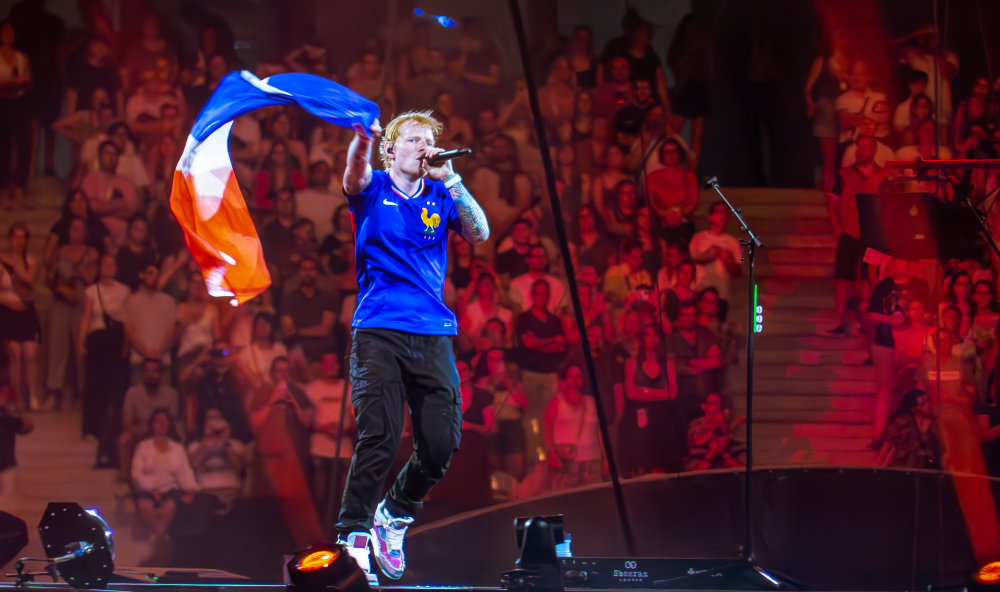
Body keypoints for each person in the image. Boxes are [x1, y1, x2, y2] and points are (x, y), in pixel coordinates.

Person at [337, 110, 489, 583]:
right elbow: (354, 174)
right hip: (379, 329)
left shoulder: (441, 193)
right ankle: (354, 534)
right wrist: (363, 137)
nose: (424, 147)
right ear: (391, 149)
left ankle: (395, 513)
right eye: (414, 140)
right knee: (380, 435)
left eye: (429, 140)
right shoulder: (374, 186)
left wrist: (454, 180)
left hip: (432, 331)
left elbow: (479, 232)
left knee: (442, 443)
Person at [826, 136, 886, 334]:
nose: (862, 150)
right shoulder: (844, 174)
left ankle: (866, 323)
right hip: (849, 233)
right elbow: (832, 203)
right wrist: (837, 227)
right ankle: (839, 322)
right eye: (859, 146)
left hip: (873, 235)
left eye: (866, 146)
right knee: (843, 279)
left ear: (874, 149)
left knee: (868, 278)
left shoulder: (883, 176)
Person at [866, 258, 929, 437]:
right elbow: (871, 314)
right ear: (893, 263)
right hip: (886, 341)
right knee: (886, 389)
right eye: (899, 261)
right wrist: (891, 320)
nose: (902, 264)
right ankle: (879, 435)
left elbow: (928, 312)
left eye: (905, 261)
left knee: (907, 389)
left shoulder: (920, 285)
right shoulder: (884, 286)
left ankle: (900, 434)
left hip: (913, 340)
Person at [79, 254, 130, 462]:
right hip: (96, 340)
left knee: (113, 389)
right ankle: (91, 429)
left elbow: (126, 321)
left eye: (111, 264)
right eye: (105, 264)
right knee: (94, 387)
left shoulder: (124, 291)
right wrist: (81, 343)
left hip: (114, 343)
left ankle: (109, 430)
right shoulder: (92, 290)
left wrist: (126, 346)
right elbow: (86, 317)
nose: (108, 267)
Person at [514, 279, 566, 478]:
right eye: (538, 293)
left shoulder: (555, 321)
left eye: (545, 294)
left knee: (551, 418)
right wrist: (550, 342)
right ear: (532, 295)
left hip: (551, 374)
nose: (541, 298)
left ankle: (551, 459)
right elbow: (528, 344)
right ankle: (534, 460)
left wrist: (539, 343)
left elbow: (561, 346)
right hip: (531, 374)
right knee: (532, 418)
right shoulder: (524, 319)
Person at [46, 218, 98, 409]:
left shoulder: (91, 253)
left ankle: (82, 393)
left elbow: (91, 278)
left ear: (85, 231)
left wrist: (79, 268)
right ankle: (54, 392)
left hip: (81, 303)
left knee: (80, 350)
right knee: (57, 348)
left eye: (78, 228)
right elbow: (50, 275)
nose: (74, 230)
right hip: (61, 301)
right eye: (72, 227)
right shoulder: (60, 251)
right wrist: (57, 285)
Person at [131, 409, 200, 546]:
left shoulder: (178, 448)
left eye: (165, 421)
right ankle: (161, 537)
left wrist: (191, 489)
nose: (162, 424)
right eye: (158, 421)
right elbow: (136, 473)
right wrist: (152, 488)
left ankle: (157, 536)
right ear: (152, 424)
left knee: (168, 508)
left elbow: (184, 472)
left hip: (170, 488)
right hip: (149, 488)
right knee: (144, 506)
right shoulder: (143, 447)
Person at [305, 352, 355, 538]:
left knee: (344, 496)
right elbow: (305, 420)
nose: (332, 366)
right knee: (320, 496)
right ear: (321, 366)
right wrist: (323, 428)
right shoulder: (311, 389)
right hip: (319, 450)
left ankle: (343, 534)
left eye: (335, 362)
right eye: (328, 363)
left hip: (344, 450)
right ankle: (319, 535)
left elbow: (355, 417)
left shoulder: (348, 388)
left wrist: (343, 428)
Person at [804, 28, 851, 192]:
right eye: (837, 36)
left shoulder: (850, 61)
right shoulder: (822, 61)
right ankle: (827, 190)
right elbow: (808, 88)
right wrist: (811, 105)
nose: (840, 39)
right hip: (827, 110)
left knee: (844, 153)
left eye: (843, 36)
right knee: (829, 156)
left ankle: (842, 189)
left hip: (846, 109)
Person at [0, 223, 40, 409]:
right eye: (16, 237)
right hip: (8, 313)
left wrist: (14, 264)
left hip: (27, 312)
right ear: (10, 238)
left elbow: (28, 280)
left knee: (30, 354)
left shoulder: (30, 260)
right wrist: (6, 301)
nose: (19, 241)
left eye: (22, 237)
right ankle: (15, 397)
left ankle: (32, 396)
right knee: (14, 355)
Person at [544, 366, 602, 491]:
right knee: (566, 496)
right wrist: (551, 454)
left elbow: (599, 431)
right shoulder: (557, 401)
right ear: (565, 380)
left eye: (578, 376)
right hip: (567, 461)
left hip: (592, 459)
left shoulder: (591, 401)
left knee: (593, 496)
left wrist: (605, 457)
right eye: (571, 376)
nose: (575, 379)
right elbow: (547, 430)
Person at [120, 359, 179, 480]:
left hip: (163, 432)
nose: (150, 375)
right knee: (124, 439)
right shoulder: (132, 393)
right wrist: (140, 432)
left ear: (161, 374)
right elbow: (127, 422)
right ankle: (126, 477)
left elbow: (172, 422)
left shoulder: (171, 394)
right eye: (147, 371)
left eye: (154, 371)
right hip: (140, 432)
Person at [122, 261, 180, 383]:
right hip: (138, 361)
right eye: (150, 273)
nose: (154, 277)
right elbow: (128, 331)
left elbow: (172, 330)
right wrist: (145, 352)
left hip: (163, 361)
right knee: (138, 394)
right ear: (141, 275)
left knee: (165, 394)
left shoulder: (168, 301)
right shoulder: (130, 301)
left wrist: (160, 351)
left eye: (156, 274)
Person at [186, 407, 247, 508]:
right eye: (210, 418)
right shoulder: (195, 447)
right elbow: (194, 467)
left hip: (231, 494)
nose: (213, 422)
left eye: (217, 418)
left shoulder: (235, 445)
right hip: (206, 496)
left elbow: (241, 469)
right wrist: (206, 442)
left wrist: (225, 442)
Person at [80, 141, 138, 247]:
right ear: (99, 156)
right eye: (107, 153)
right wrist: (120, 203)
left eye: (114, 154)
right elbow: (90, 208)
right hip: (95, 234)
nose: (111, 157)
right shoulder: (89, 179)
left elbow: (131, 210)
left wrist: (102, 208)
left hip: (122, 238)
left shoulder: (126, 183)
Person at [0, 21, 32, 210]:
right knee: (3, 147)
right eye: (4, 31)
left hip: (19, 102)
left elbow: (29, 80)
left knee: (25, 145)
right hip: (2, 104)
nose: (8, 34)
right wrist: (7, 83)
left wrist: (20, 82)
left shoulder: (22, 57)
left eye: (10, 31)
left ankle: (19, 187)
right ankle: (3, 188)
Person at [873, 389, 940, 469]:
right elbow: (887, 446)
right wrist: (877, 468)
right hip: (903, 469)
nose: (928, 405)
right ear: (914, 409)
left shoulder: (937, 424)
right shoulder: (901, 424)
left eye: (928, 401)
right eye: (923, 404)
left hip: (926, 470)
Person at [689, 202, 741, 301]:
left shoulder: (732, 242)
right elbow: (690, 261)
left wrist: (729, 262)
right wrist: (709, 255)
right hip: (700, 291)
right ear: (710, 217)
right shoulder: (698, 238)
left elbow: (738, 273)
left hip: (721, 294)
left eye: (725, 213)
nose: (722, 215)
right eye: (719, 211)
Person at [646, 139, 698, 240]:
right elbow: (651, 203)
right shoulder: (651, 177)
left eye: (674, 151)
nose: (671, 155)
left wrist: (679, 213)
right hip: (661, 224)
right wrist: (665, 216)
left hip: (684, 221)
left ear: (680, 153)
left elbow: (694, 202)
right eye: (667, 152)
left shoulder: (689, 176)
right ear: (662, 155)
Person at [0, 366, 32, 508]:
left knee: (7, 501)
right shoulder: (9, 420)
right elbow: (27, 426)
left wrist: (19, 408)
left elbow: (27, 426)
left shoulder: (9, 420)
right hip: (7, 465)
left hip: (7, 465)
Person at [686, 393, 742, 470]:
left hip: (723, 464)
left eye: (718, 403)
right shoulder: (696, 425)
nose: (716, 406)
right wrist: (711, 452)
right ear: (704, 406)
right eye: (712, 403)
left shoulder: (723, 423)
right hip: (702, 464)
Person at [508, 246, 567, 315]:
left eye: (542, 257)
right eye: (536, 256)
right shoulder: (516, 283)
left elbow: (561, 312)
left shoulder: (557, 284)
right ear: (528, 259)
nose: (540, 259)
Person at [296, 161, 344, 242]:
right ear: (310, 175)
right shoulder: (297, 198)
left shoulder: (339, 202)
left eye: (326, 171)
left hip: (329, 246)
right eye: (319, 171)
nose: (323, 174)